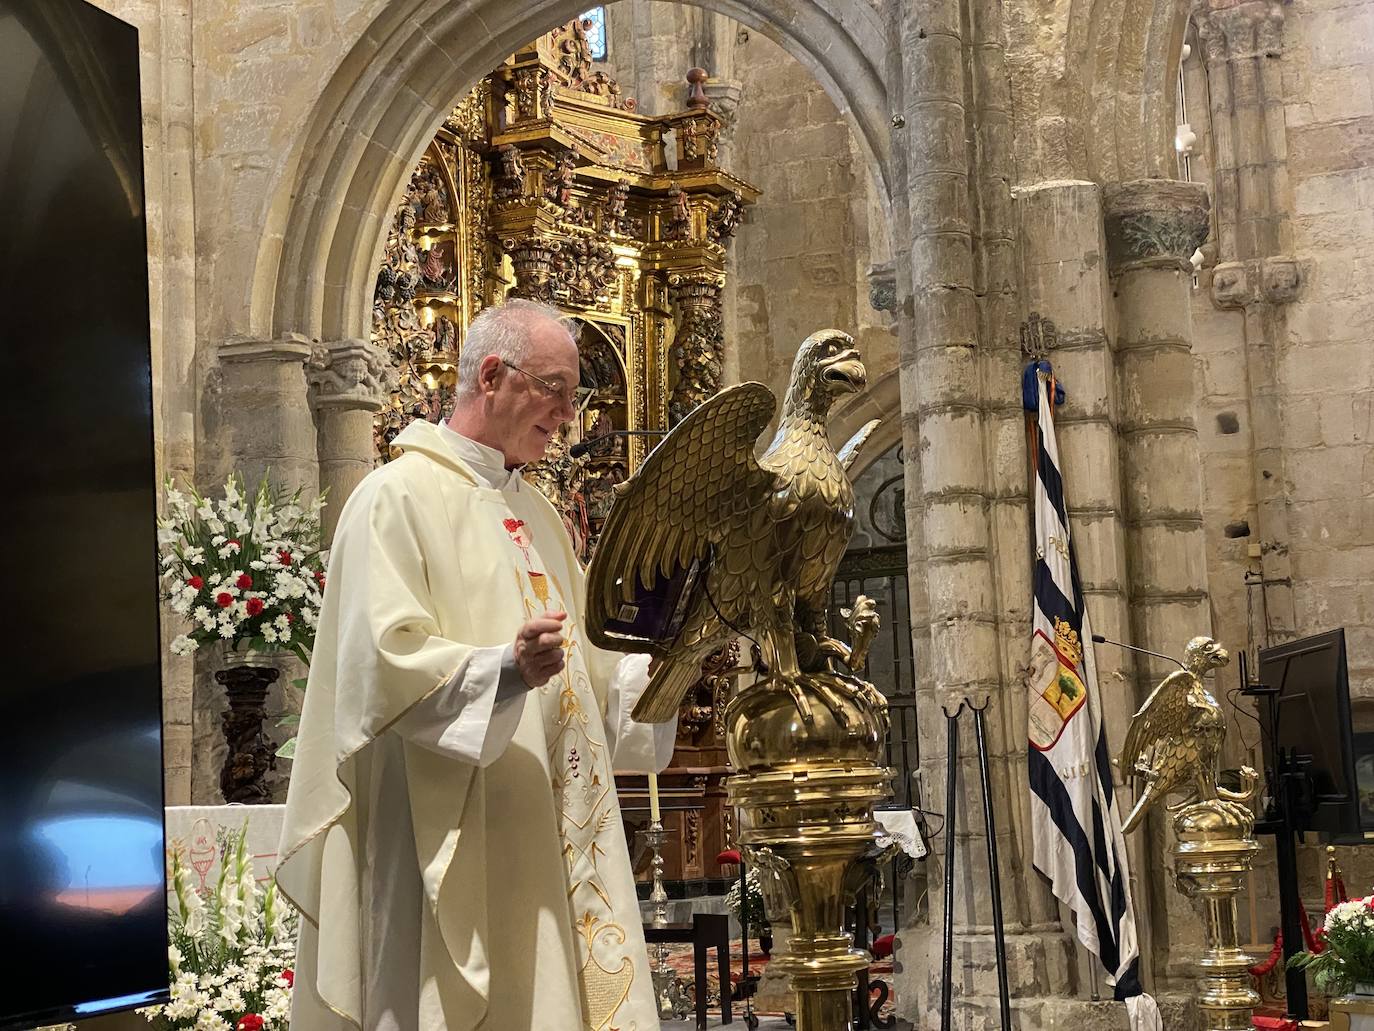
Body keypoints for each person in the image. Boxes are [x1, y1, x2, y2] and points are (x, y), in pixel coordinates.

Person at [276, 299, 675, 1031]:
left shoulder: (539, 515)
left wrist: (668, 668)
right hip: (443, 843)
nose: (568, 414)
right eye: (555, 388)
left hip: (548, 841)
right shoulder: (391, 499)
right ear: (492, 374)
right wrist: (505, 670)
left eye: (573, 393)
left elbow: (591, 675)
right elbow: (383, 665)